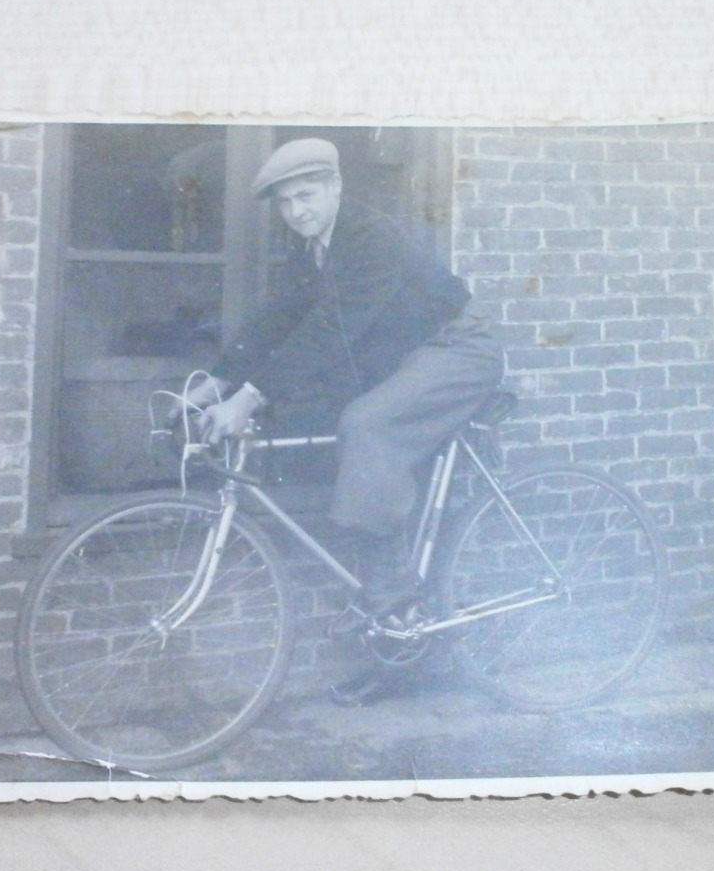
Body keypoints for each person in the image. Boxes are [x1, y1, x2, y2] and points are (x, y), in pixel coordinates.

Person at [183, 137, 504, 703]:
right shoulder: (312, 248)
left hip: (458, 349)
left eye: (306, 196)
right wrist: (218, 380)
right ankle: (398, 632)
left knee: (366, 426)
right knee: (352, 434)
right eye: (285, 203)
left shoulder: (370, 239)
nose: (296, 212)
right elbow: (277, 317)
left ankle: (394, 604)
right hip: (407, 354)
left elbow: (330, 330)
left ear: (335, 186)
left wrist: (248, 399)